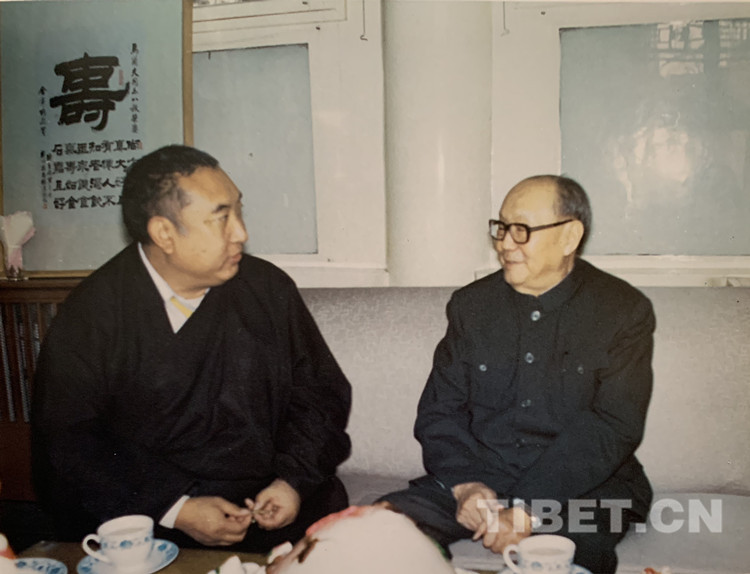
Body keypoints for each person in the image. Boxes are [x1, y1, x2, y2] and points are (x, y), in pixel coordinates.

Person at [31, 144, 352, 553]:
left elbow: (319, 395)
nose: (241, 232)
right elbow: (68, 441)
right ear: (164, 233)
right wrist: (176, 508)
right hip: (153, 515)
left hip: (270, 505)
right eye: (221, 218)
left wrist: (292, 481)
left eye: (239, 211)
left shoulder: (267, 289)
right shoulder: (93, 313)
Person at [380, 175, 655, 574]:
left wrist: (528, 509)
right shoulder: (471, 307)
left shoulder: (622, 310)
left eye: (521, 230)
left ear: (569, 236)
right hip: (483, 479)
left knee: (569, 551)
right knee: (375, 530)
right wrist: (466, 485)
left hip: (584, 489)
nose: (505, 243)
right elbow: (440, 411)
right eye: (502, 227)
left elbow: (613, 425)